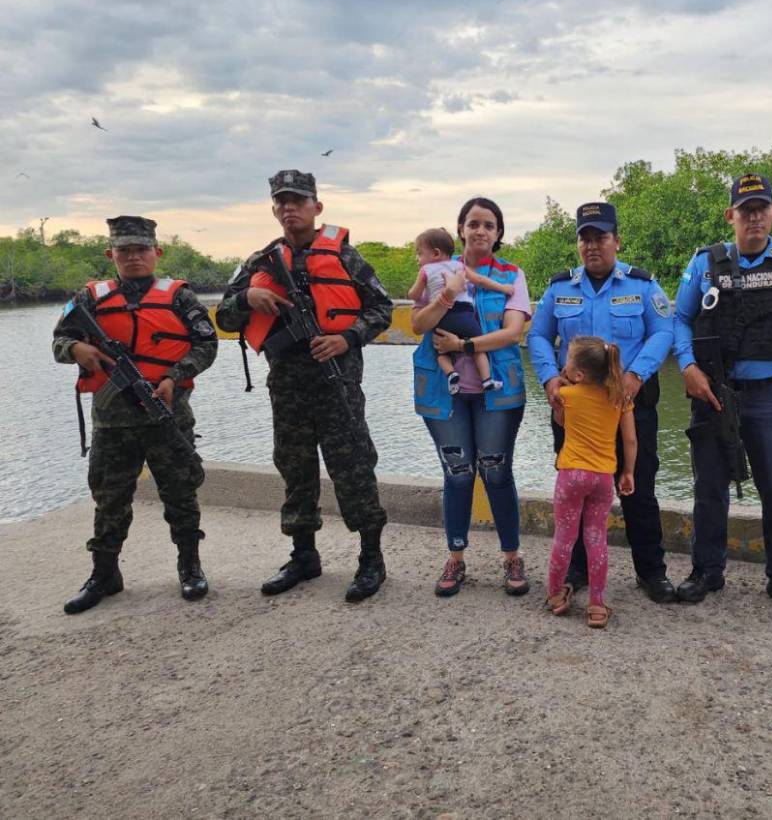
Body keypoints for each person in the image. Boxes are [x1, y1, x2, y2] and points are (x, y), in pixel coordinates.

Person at [216, 170, 393, 602]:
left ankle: (371, 559)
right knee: (295, 471)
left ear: (317, 206)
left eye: (298, 200)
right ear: (274, 209)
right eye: (282, 202)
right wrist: (247, 299)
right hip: (289, 390)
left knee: (353, 469)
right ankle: (303, 555)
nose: (289, 208)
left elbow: (382, 308)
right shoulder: (260, 263)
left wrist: (346, 337)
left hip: (338, 388)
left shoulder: (347, 258)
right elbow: (224, 316)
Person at [672, 173, 772, 619]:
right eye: (745, 209)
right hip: (712, 391)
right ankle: (707, 571)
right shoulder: (704, 264)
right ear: (730, 215)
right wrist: (688, 367)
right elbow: (679, 320)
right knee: (709, 488)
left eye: (762, 208)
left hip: (770, 394)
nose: (753, 217)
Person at [53, 215, 217, 613]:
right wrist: (77, 351)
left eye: (140, 250)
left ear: (156, 253)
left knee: (180, 494)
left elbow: (206, 345)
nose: (133, 257)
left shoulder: (180, 297)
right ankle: (104, 574)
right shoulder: (89, 297)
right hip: (112, 421)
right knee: (109, 499)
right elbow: (60, 339)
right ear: (111, 254)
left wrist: (175, 377)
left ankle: (190, 566)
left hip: (167, 414)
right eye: (124, 251)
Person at [528, 201, 677, 604]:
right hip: (573, 413)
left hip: (629, 406)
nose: (592, 245)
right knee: (573, 493)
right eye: (585, 238)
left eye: (600, 237)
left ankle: (651, 572)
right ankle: (575, 571)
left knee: (638, 489)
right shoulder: (560, 289)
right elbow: (538, 336)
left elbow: (664, 331)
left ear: (616, 240)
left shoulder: (643, 286)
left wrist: (635, 374)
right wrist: (547, 378)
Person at [410, 196, 531, 597]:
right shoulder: (436, 271)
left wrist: (465, 345)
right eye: (473, 223)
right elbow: (417, 323)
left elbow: (513, 332)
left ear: (498, 234)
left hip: (497, 391)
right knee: (458, 473)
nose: (480, 231)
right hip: (446, 393)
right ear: (460, 229)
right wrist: (447, 296)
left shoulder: (512, 275)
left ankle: (511, 555)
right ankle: (456, 557)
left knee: (496, 470)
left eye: (489, 225)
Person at [544, 336, 636, 630]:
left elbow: (560, 421)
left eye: (567, 361)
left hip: (571, 474)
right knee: (596, 539)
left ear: (579, 373)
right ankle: (596, 605)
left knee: (564, 538)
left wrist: (559, 387)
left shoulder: (567, 395)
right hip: (602, 477)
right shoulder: (619, 397)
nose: (564, 365)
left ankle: (556, 596)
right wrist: (628, 472)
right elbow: (630, 440)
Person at [408, 227, 512, 393]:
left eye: (420, 253)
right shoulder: (458, 266)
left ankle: (451, 374)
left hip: (442, 318)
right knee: (478, 347)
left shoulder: (425, 270)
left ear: (435, 253)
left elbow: (413, 294)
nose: (417, 259)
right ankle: (486, 380)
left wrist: (419, 292)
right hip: (465, 315)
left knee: (441, 352)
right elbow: (480, 280)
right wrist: (504, 288)